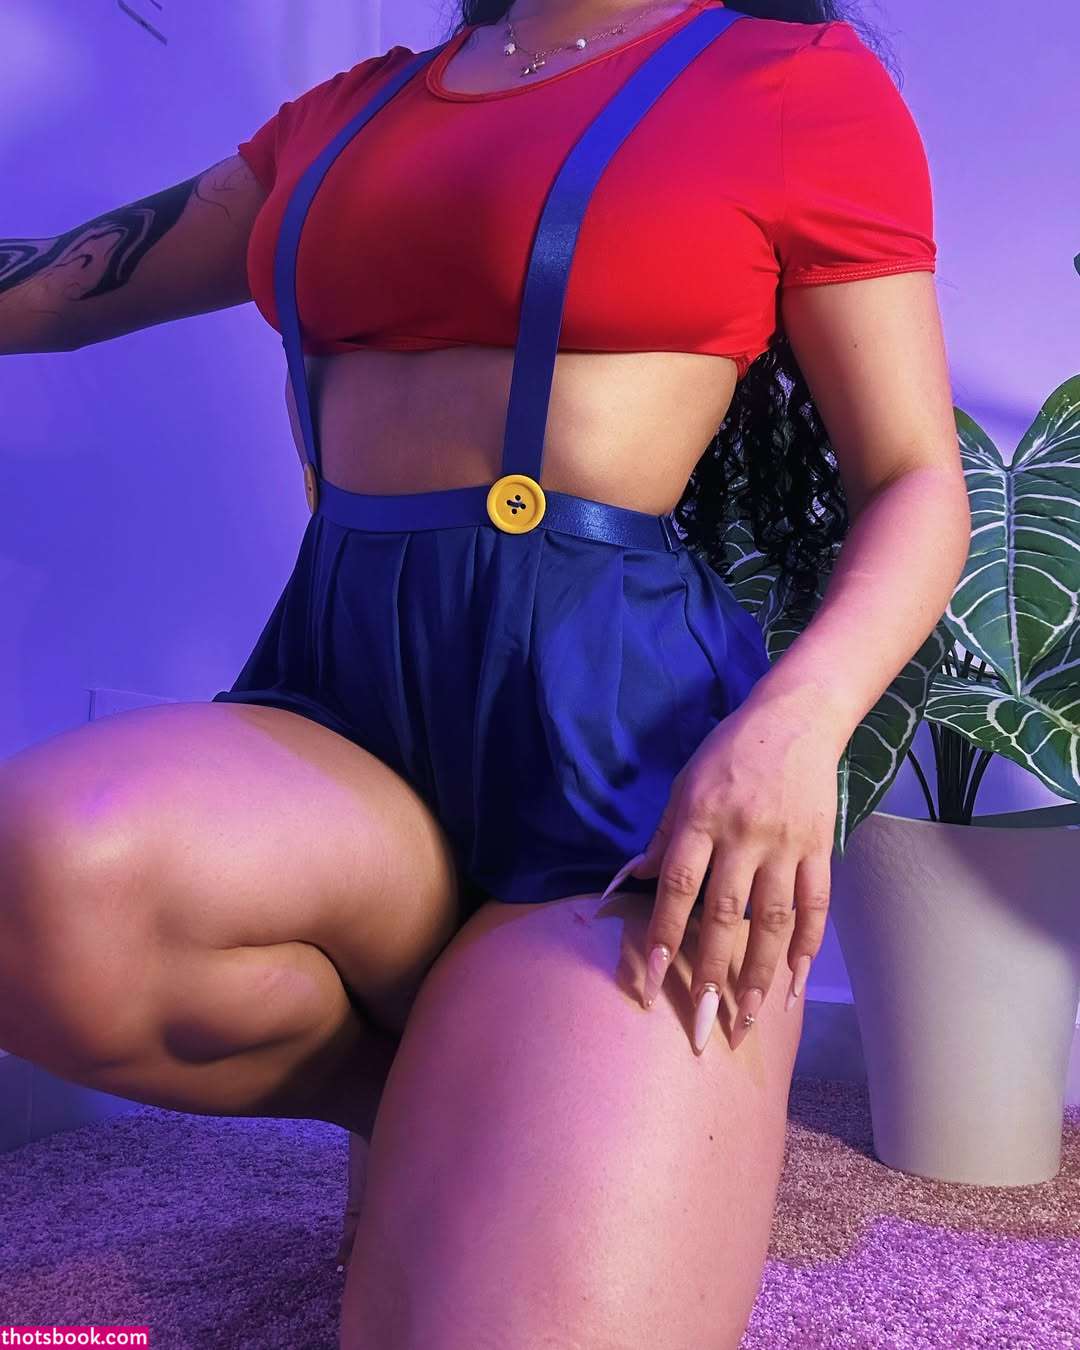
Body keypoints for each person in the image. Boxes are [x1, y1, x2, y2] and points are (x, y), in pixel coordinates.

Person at [0, 0, 970, 1346]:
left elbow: (916, 479)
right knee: (45, 879)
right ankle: (425, 1089)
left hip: (623, 754)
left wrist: (795, 727)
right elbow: (48, 289)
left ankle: (521, 1074)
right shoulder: (351, 111)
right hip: (342, 712)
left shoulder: (792, 79)